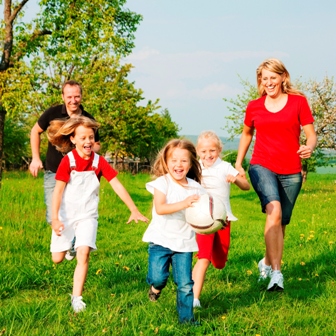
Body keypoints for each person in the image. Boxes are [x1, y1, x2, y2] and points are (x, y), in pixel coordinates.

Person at [47, 116, 148, 313]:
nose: (87, 142)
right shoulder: (68, 161)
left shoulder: (99, 162)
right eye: (83, 138)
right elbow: (57, 191)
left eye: (91, 137)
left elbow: (117, 185)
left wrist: (133, 209)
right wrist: (55, 218)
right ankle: (70, 247)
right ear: (73, 139)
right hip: (67, 215)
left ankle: (77, 298)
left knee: (84, 253)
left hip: (88, 215)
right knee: (57, 259)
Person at [235, 58, 317, 291]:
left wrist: (309, 147)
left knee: (280, 223)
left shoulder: (298, 102)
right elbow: (247, 134)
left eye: (273, 77)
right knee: (275, 210)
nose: (268, 82)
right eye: (264, 78)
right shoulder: (254, 106)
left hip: (291, 169)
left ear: (283, 77)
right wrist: (239, 163)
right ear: (260, 81)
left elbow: (311, 134)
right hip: (262, 165)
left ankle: (267, 261)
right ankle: (276, 274)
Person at [142, 139, 205, 324]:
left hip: (184, 242)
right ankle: (155, 288)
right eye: (174, 160)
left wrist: (216, 222)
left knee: (185, 284)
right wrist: (184, 203)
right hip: (160, 240)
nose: (179, 164)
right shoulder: (163, 183)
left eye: (184, 160)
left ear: (191, 163)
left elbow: (207, 211)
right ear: (166, 162)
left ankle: (187, 321)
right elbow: (161, 208)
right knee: (158, 277)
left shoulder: (196, 187)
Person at [29, 80, 100, 226]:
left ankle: (73, 249)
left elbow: (96, 145)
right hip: (54, 173)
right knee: (53, 216)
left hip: (78, 175)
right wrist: (35, 158)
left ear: (81, 96)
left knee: (76, 214)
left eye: (77, 96)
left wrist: (87, 149)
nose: (73, 101)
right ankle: (63, 248)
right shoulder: (53, 113)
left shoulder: (88, 119)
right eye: (69, 97)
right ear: (63, 96)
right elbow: (35, 131)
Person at [192, 131, 250, 308]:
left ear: (219, 150)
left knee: (220, 261)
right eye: (203, 151)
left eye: (212, 150)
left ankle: (211, 264)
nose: (208, 155)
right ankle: (193, 299)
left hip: (223, 220)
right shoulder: (195, 168)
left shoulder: (225, 166)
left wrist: (236, 180)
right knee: (204, 258)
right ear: (197, 151)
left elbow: (246, 186)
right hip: (202, 219)